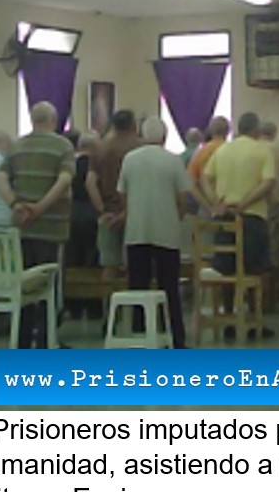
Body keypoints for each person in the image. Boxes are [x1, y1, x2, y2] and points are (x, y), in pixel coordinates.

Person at [0, 101, 74, 349]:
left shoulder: (17, 146)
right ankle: (45, 341)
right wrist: (40, 207)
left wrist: (15, 204)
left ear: (32, 120)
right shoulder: (63, 146)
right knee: (48, 287)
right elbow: (64, 180)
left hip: (22, 228)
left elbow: (0, 178)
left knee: (25, 287)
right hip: (51, 229)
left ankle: (22, 340)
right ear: (53, 120)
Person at [117, 116, 191, 349]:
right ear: (164, 136)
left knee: (137, 286)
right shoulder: (173, 161)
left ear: (142, 136)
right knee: (169, 288)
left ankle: (140, 336)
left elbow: (122, 194)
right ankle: (175, 339)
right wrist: (176, 216)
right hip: (166, 232)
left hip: (136, 231)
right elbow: (183, 199)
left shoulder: (130, 159)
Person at [201, 111, 276, 339]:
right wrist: (245, 202)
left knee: (227, 269)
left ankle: (229, 319)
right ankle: (254, 321)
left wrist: (216, 202)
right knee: (254, 270)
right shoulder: (262, 150)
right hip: (252, 217)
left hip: (224, 218)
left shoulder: (223, 150)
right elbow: (269, 182)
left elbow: (204, 177)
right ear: (256, 130)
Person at [87, 109, 140, 280]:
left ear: (113, 125)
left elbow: (90, 183)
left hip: (108, 214)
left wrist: (102, 210)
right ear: (134, 126)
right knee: (133, 267)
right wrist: (125, 213)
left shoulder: (100, 148)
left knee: (109, 265)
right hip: (135, 215)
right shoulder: (139, 149)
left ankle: (109, 298)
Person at [259, 121, 279, 301]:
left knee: (259, 244)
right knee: (275, 243)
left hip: (256, 201)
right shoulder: (277, 148)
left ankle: (260, 289)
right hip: (275, 201)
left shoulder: (254, 146)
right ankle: (277, 288)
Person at [67, 131, 100, 268]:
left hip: (71, 211)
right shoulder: (95, 165)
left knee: (72, 255)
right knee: (91, 254)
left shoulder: (69, 165)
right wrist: (101, 209)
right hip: (91, 211)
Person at [188, 116, 231, 211]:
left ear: (210, 131)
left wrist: (208, 207)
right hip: (230, 205)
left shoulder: (200, 153)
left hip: (207, 205)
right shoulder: (233, 151)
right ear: (228, 131)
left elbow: (191, 184)